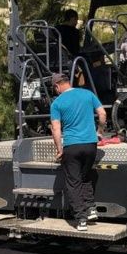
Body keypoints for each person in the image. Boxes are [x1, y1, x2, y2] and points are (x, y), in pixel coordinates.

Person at [50, 72, 106, 231]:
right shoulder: (88, 94)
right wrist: (99, 131)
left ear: (57, 86)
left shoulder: (57, 103)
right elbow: (102, 114)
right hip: (90, 145)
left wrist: (59, 149)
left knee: (73, 183)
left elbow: (56, 129)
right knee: (85, 175)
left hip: (72, 146)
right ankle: (90, 208)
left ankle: (81, 219)